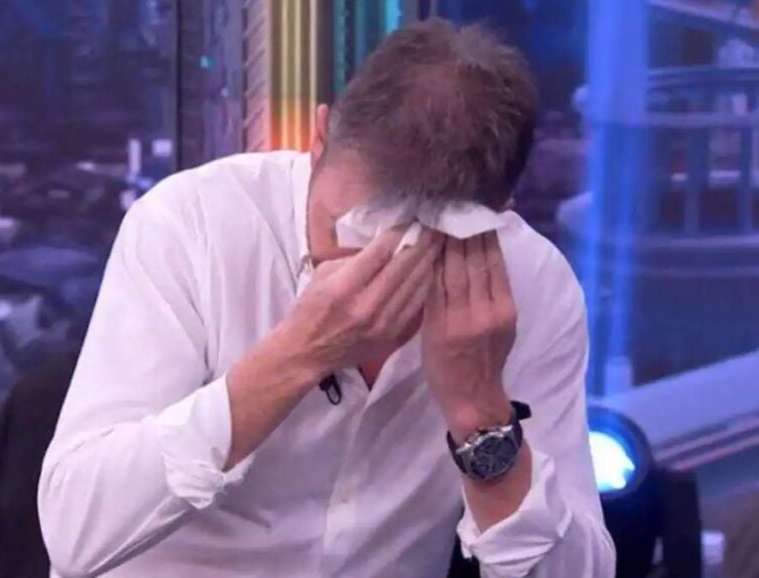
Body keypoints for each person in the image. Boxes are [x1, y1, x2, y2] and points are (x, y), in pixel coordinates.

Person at [39, 19, 615, 578]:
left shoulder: (531, 285)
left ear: (498, 215)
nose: (365, 283)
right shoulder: (192, 224)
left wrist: (482, 419)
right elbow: (74, 533)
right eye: (343, 231)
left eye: (419, 253)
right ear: (317, 139)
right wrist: (295, 355)